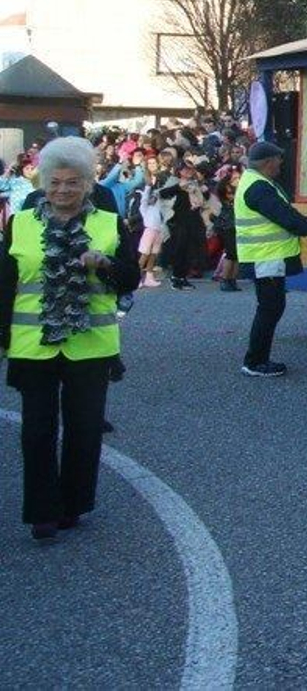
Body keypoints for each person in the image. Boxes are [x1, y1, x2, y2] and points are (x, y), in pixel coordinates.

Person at [0, 137, 140, 540]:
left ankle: (74, 504)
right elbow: (5, 285)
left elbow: (131, 278)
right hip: (33, 344)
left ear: (88, 184)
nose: (63, 190)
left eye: (73, 182)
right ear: (43, 183)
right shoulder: (19, 223)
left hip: (91, 345)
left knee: (84, 429)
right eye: (55, 182)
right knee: (36, 431)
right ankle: (42, 511)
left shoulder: (109, 223)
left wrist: (106, 264)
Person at [235, 141, 307, 378]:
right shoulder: (258, 187)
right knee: (270, 308)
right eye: (278, 160)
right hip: (266, 257)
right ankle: (255, 362)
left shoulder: (254, 181)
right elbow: (287, 217)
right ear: (267, 162)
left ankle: (257, 359)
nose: (281, 164)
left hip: (265, 257)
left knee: (271, 307)